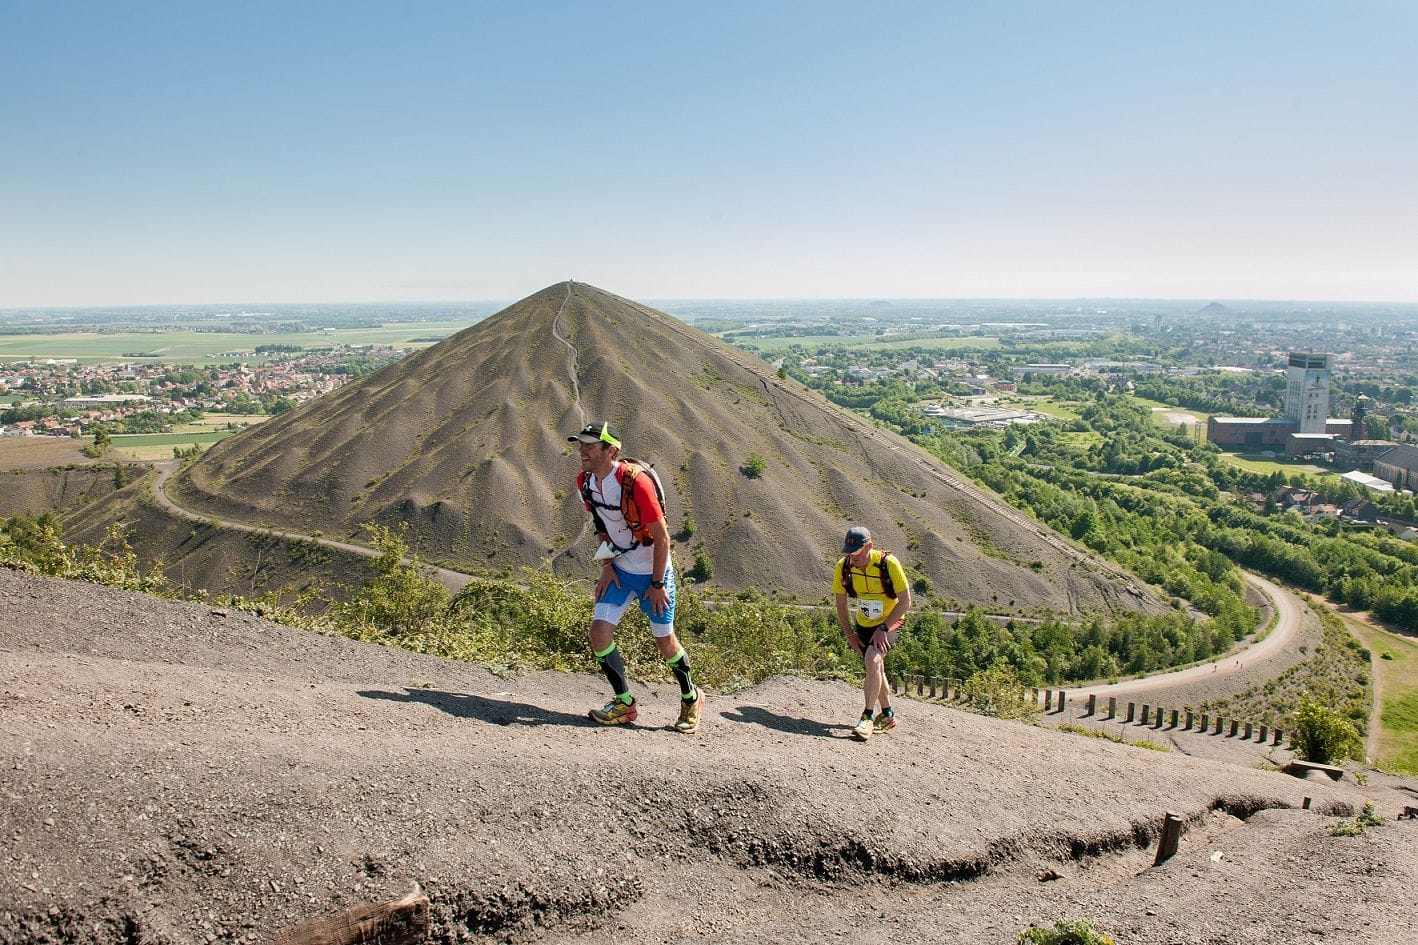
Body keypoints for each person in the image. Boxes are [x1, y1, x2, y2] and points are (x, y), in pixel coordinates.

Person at [569, 420, 702, 733]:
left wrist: (656, 585)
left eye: (589, 445)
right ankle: (624, 704)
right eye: (581, 444)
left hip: (653, 572)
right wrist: (606, 566)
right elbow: (602, 527)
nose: (582, 450)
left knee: (665, 642)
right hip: (620, 571)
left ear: (611, 450)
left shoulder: (636, 483)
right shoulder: (585, 482)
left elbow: (663, 538)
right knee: (599, 634)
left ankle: (691, 697)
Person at [832, 526, 911, 741]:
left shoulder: (888, 563)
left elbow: (905, 602)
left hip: (890, 622)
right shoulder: (844, 567)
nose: (851, 557)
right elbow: (840, 603)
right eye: (848, 552)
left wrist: (883, 629)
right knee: (876, 667)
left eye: (856, 552)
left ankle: (866, 717)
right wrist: (849, 634)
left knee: (872, 660)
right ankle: (887, 715)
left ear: (869, 546)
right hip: (864, 625)